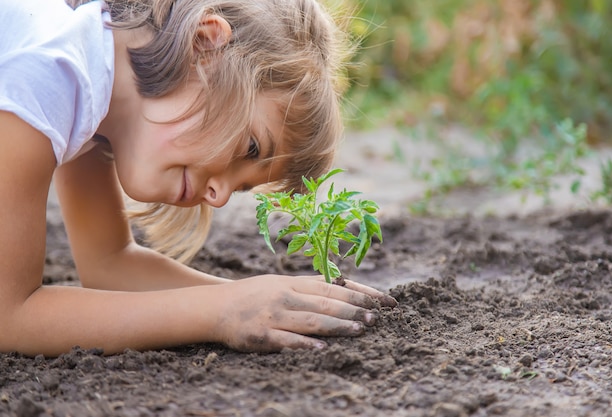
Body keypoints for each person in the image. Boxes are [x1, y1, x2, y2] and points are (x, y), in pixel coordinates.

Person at [0, 0, 397, 357]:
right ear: (206, 45)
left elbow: (108, 265)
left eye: (242, 187)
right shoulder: (48, 70)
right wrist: (221, 312)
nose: (220, 196)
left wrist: (257, 299)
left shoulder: (97, 103)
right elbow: (10, 314)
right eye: (252, 147)